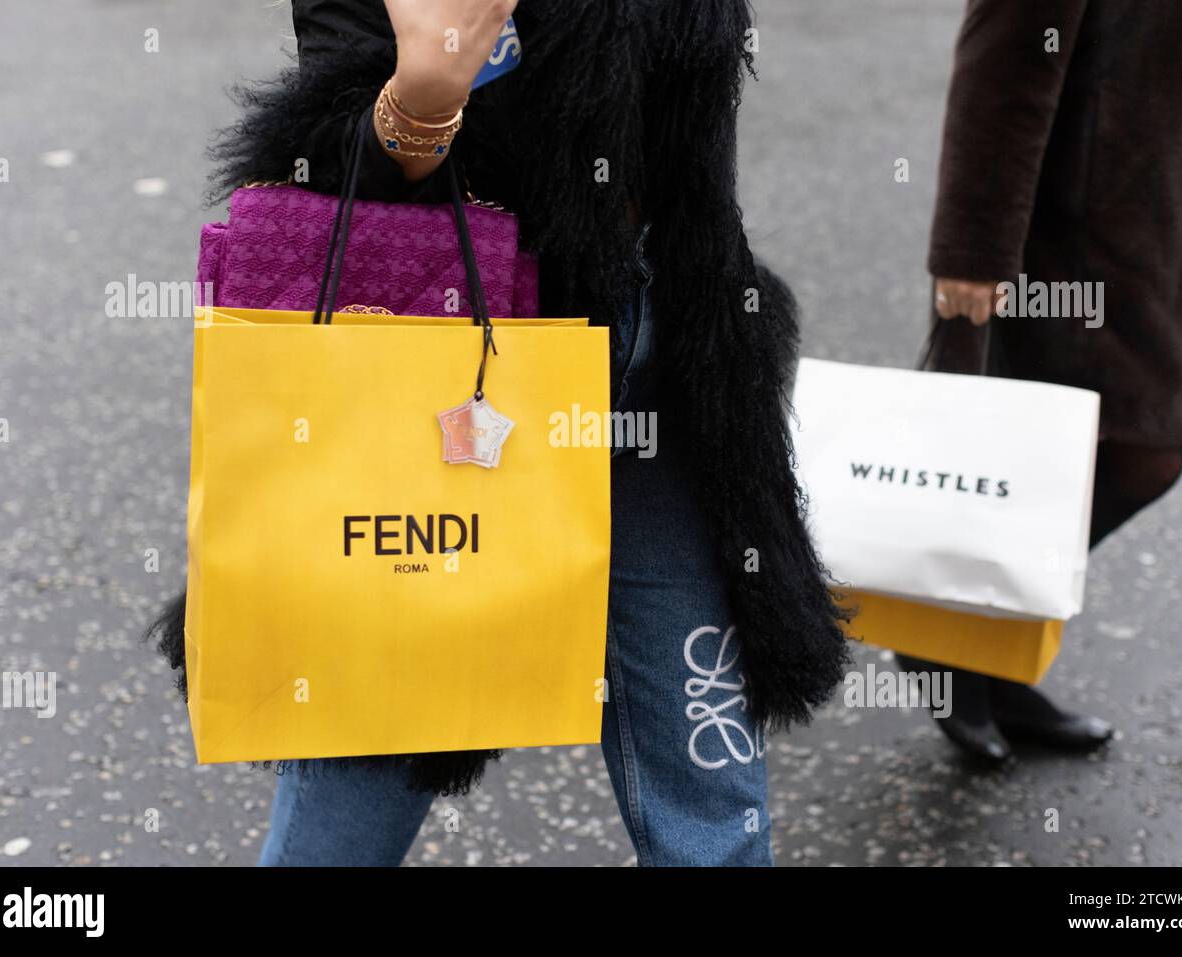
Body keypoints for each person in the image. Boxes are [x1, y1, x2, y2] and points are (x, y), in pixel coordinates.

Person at [148, 0, 851, 866]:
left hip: (667, 365)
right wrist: (425, 96)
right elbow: (319, 161)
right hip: (463, 363)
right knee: (362, 775)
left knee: (710, 794)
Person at [906, 0, 1182, 762]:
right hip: (1101, 213)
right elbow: (1006, 54)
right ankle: (947, 634)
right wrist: (972, 243)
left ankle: (975, 647)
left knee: (1128, 444)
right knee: (1134, 450)